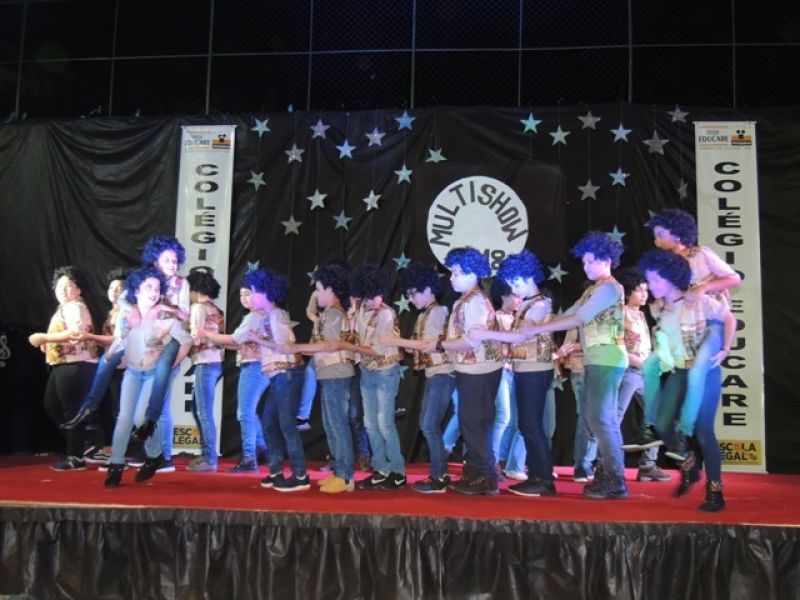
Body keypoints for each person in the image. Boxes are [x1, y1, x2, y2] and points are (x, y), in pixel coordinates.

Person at [479, 233, 629, 499]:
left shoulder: (609, 288)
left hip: (607, 357)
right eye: (584, 261)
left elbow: (579, 318)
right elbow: (569, 313)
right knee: (596, 418)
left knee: (601, 419)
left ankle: (615, 478)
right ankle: (609, 473)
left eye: (590, 261)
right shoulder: (594, 289)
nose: (585, 266)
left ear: (607, 260)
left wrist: (537, 328)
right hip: (596, 358)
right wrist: (541, 325)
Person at [630, 209, 741, 460]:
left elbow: (734, 278)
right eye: (655, 235)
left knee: (697, 371)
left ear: (678, 234)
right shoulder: (666, 262)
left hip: (710, 321)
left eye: (661, 234)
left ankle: (684, 432)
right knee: (650, 367)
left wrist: (704, 287)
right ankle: (650, 425)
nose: (656, 240)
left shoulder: (701, 254)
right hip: (682, 322)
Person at [637, 249, 735, 511]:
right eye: (649, 279)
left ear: (671, 278)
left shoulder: (700, 300)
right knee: (661, 424)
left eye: (655, 280)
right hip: (679, 372)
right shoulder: (659, 308)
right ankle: (689, 462)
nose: (651, 285)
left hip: (705, 373)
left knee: (703, 431)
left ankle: (715, 490)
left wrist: (725, 348)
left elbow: (729, 318)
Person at [468, 250, 557, 497]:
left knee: (531, 425)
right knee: (527, 425)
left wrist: (486, 334)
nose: (514, 288)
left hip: (535, 370)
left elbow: (521, 336)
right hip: (524, 369)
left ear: (529, 276)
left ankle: (544, 479)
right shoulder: (527, 304)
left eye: (516, 282)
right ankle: (538, 475)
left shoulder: (540, 303)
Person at [421, 247, 503, 495]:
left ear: (472, 273)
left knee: (475, 423)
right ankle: (476, 472)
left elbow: (471, 341)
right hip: (471, 369)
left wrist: (439, 345)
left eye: (456, 272)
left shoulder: (475, 302)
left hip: (479, 370)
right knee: (471, 422)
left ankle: (486, 477)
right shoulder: (465, 301)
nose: (451, 278)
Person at [103, 266, 193, 487]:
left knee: (140, 419)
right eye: (148, 287)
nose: (154, 292)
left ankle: (154, 456)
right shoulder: (128, 314)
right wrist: (112, 357)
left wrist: (170, 364)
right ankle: (116, 465)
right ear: (137, 290)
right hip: (133, 373)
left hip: (153, 374)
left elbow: (187, 341)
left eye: (157, 288)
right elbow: (122, 338)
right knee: (124, 418)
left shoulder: (166, 316)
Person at [281, 264, 357, 493]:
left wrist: (296, 347)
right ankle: (338, 470)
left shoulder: (333, 314)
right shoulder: (328, 314)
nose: (316, 294)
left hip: (336, 374)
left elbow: (327, 346)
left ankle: (345, 476)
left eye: (319, 289)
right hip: (328, 374)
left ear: (331, 290)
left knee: (337, 424)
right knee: (330, 423)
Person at [380, 261, 455, 494]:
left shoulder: (437, 312)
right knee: (428, 425)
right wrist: (400, 344)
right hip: (434, 374)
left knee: (429, 425)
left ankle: (439, 475)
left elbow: (427, 345)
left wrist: (395, 341)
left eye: (414, 293)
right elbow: (418, 347)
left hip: (443, 373)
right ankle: (439, 473)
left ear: (428, 289)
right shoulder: (426, 314)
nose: (411, 299)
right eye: (409, 294)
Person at [338, 265, 406, 491]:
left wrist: (347, 346)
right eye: (368, 296)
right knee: (370, 422)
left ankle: (398, 471)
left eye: (377, 295)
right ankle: (381, 468)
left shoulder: (386, 314)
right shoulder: (360, 310)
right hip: (367, 371)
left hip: (386, 371)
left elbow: (377, 350)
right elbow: (357, 335)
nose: (374, 300)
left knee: (384, 422)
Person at [242, 268, 310, 492]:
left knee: (286, 423)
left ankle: (300, 475)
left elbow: (283, 346)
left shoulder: (276, 315)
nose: (251, 296)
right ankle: (276, 470)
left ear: (266, 293)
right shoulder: (266, 317)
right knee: (269, 422)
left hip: (287, 373)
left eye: (254, 291)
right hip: (277, 374)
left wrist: (258, 340)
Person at [198, 270, 271, 472]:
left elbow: (233, 339)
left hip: (254, 366)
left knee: (244, 413)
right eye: (241, 294)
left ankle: (249, 458)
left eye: (248, 293)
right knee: (249, 410)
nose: (244, 298)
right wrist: (216, 339)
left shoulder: (254, 316)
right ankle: (261, 449)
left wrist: (206, 334)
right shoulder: (259, 315)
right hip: (258, 365)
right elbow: (237, 343)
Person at [28, 266, 99, 471]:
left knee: (71, 410)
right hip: (63, 363)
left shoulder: (75, 307)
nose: (63, 290)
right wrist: (48, 344)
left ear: (78, 289)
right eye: (59, 286)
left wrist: (44, 338)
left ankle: (76, 455)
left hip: (76, 363)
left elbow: (75, 333)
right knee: (52, 405)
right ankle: (83, 444)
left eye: (68, 286)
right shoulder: (64, 307)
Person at [68, 267, 129, 465]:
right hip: (114, 365)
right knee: (112, 409)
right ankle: (110, 449)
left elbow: (118, 340)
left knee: (119, 410)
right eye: (112, 288)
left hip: (124, 366)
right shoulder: (113, 312)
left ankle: (119, 453)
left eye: (119, 289)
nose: (115, 292)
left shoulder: (126, 311)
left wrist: (89, 337)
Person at [615, 268, 671, 482]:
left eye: (646, 290)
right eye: (639, 290)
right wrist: (640, 362)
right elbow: (617, 345)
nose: (644, 294)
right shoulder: (620, 313)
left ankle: (648, 465)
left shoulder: (641, 314)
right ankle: (609, 464)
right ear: (628, 292)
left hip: (645, 373)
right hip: (628, 371)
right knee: (615, 417)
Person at [185, 270, 224, 472]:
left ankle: (210, 458)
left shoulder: (198, 308)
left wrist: (183, 350)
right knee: (197, 408)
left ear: (196, 289)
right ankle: (206, 454)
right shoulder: (216, 309)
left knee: (204, 412)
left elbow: (197, 338)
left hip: (205, 361)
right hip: (216, 361)